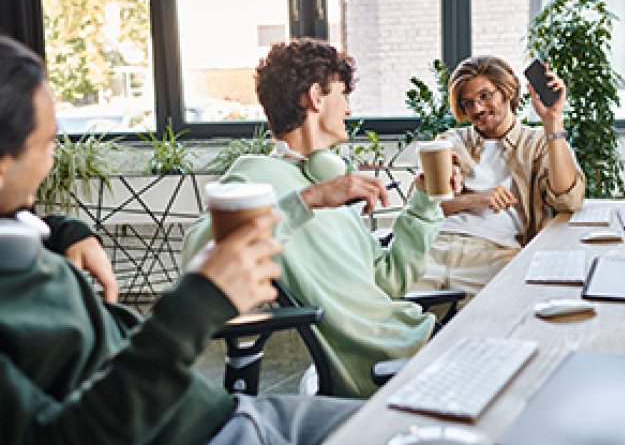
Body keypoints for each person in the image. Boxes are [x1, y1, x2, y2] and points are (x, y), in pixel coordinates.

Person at [0, 35, 360, 445]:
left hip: (219, 412)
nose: (53, 158)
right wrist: (197, 303)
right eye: (48, 142)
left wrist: (66, 230)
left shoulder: (21, 243)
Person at [183, 38, 461, 398]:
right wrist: (308, 200)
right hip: (389, 358)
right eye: (343, 95)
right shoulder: (256, 176)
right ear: (315, 96)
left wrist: (424, 202)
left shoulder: (325, 177)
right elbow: (197, 257)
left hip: (416, 335)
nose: (347, 110)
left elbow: (388, 282)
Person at [411, 55, 585, 302]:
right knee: (395, 323)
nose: (477, 109)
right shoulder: (452, 142)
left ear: (507, 92)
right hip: (433, 248)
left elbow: (569, 200)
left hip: (495, 253)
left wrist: (552, 122)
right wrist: (478, 199)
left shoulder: (537, 143)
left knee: (495, 324)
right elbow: (425, 204)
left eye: (485, 96)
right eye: (468, 103)